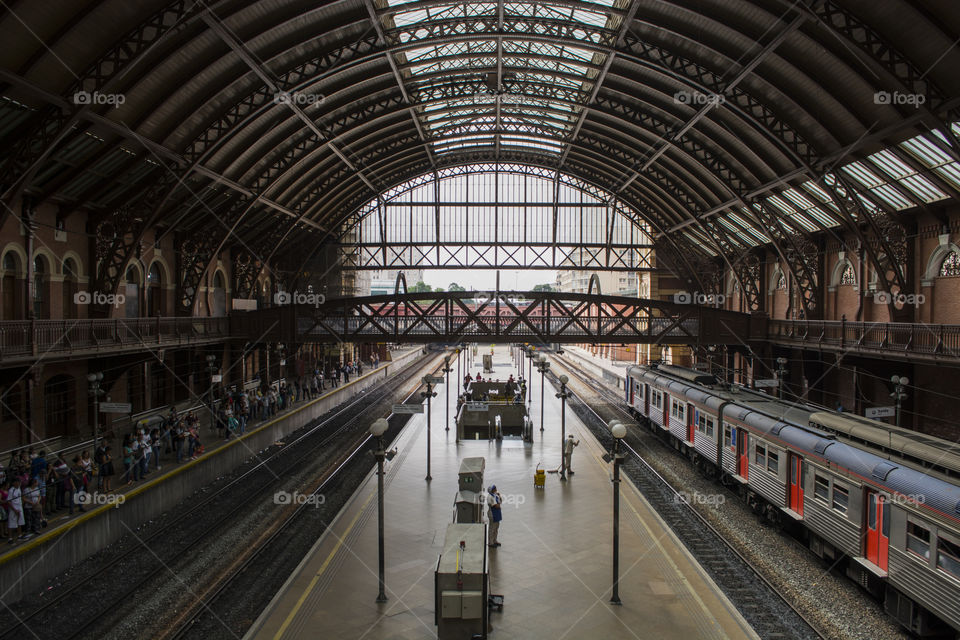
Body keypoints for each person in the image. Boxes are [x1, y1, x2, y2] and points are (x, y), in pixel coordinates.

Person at [6, 477, 23, 542]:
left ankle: (20, 535)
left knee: (20, 522)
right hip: (13, 508)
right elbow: (9, 501)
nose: (19, 483)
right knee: (12, 523)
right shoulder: (11, 490)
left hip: (19, 507)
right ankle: (10, 538)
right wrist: (14, 510)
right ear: (14, 483)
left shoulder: (19, 488)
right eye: (18, 482)